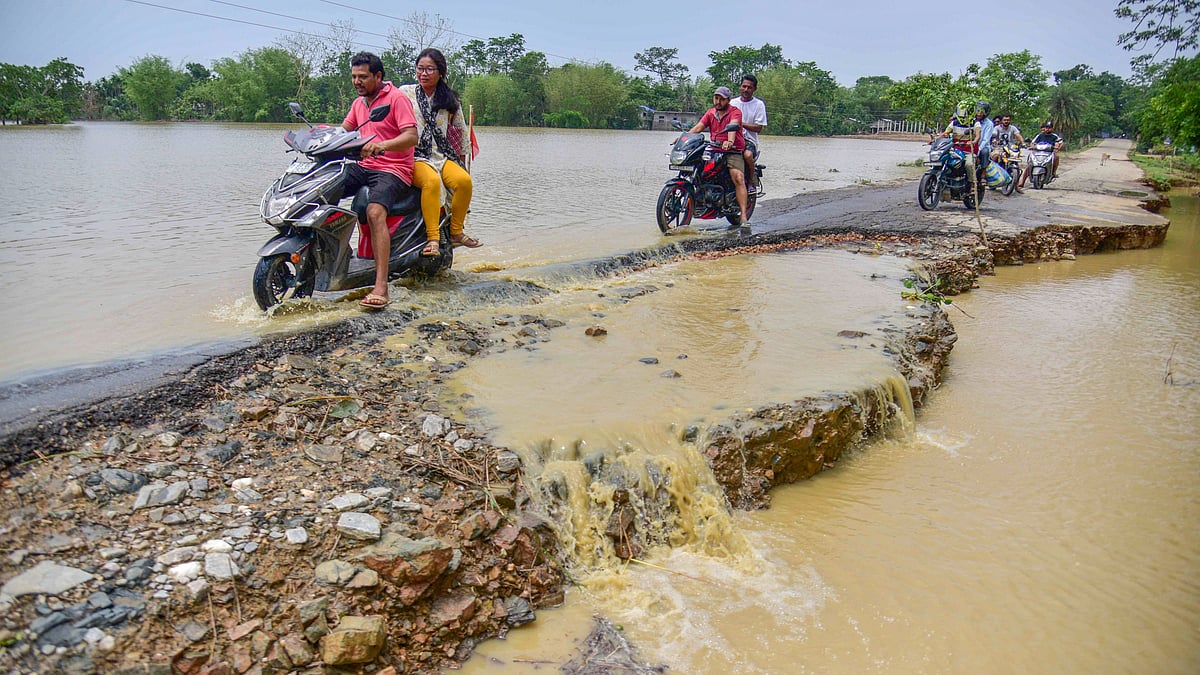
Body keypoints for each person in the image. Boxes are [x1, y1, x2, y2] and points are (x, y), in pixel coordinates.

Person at [341, 51, 418, 310]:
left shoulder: (397, 99)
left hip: (393, 168)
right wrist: (316, 138)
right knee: (323, 188)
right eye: (354, 76)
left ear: (378, 76)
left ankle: (381, 286)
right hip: (364, 165)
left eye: (363, 76)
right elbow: (344, 131)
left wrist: (381, 145)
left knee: (375, 212)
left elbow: (411, 137)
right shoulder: (359, 103)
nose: (357, 81)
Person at [398, 48, 480, 257]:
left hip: (441, 155)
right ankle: (433, 238)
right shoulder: (404, 93)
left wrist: (461, 160)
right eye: (420, 69)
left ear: (440, 72)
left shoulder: (449, 99)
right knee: (431, 182)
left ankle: (455, 231)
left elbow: (460, 131)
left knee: (463, 181)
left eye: (429, 69)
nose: (424, 74)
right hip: (414, 155)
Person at [689, 86, 750, 226]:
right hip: (714, 149)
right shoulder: (711, 113)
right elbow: (699, 127)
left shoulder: (735, 112)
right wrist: (684, 136)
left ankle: (744, 217)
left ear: (728, 100)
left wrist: (729, 141)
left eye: (722, 99)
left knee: (738, 177)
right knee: (698, 169)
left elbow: (733, 126)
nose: (718, 101)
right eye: (716, 98)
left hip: (732, 150)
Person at [729, 74, 767, 194]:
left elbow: (758, 128)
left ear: (754, 89)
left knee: (748, 155)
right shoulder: (732, 103)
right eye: (744, 86)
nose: (746, 90)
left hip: (749, 140)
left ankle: (750, 181)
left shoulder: (759, 104)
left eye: (749, 87)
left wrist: (740, 124)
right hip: (732, 138)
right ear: (740, 87)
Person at [1016, 120, 1064, 192]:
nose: (1047, 129)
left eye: (1049, 128)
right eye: (1046, 127)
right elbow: (1033, 142)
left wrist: (1057, 148)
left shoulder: (1054, 136)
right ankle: (1022, 182)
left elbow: (1061, 142)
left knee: (1056, 156)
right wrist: (1032, 146)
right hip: (1038, 152)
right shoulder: (1040, 135)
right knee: (1029, 165)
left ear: (1052, 128)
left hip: (1049, 153)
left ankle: (1053, 172)